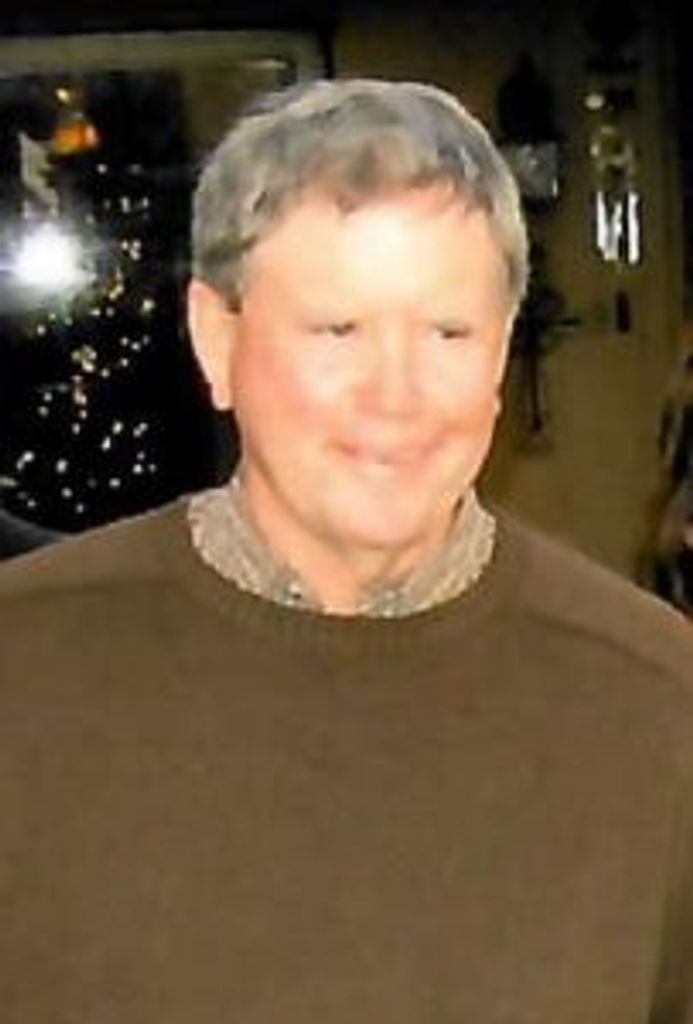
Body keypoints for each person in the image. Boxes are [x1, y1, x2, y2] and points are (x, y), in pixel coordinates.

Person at [1, 77, 692, 1023]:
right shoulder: (25, 668)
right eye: (338, 330)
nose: (395, 394)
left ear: (499, 357)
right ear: (215, 340)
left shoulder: (654, 700)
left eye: (447, 332)